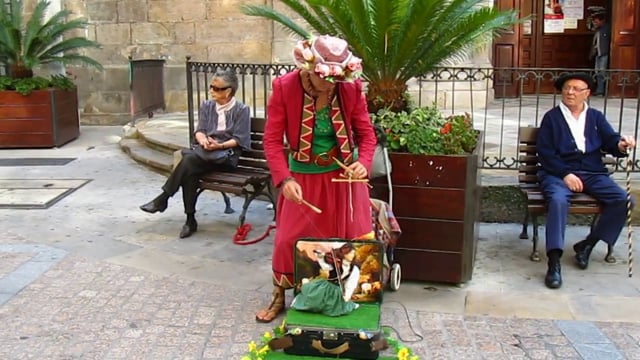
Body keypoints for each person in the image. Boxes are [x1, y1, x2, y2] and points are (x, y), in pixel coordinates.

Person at [255, 34, 377, 323]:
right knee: (288, 239)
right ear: (308, 67)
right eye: (324, 78)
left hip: (344, 178)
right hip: (303, 179)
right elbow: (271, 141)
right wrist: (284, 180)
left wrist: (363, 163)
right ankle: (278, 295)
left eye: (335, 79)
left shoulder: (351, 88)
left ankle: (354, 294)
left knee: (354, 237)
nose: (330, 85)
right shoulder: (285, 87)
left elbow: (367, 135)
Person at [537, 72, 636, 289]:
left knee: (623, 199)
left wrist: (622, 144)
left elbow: (611, 141)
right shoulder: (551, 118)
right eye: (566, 88)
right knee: (558, 201)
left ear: (587, 94)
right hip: (558, 174)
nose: (570, 92)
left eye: (575, 89)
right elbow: (545, 154)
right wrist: (565, 174)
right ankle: (554, 262)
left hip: (592, 172)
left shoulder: (596, 117)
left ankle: (588, 245)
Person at [139, 69, 251, 238]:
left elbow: (239, 139)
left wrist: (219, 146)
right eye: (211, 86)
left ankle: (165, 199)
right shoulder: (207, 106)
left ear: (228, 91)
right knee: (189, 170)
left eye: (216, 88)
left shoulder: (241, 109)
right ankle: (189, 219)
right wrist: (203, 141)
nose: (211, 90)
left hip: (226, 156)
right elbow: (200, 131)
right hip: (205, 154)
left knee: (189, 161)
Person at [290, 242, 361, 317]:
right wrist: (321, 258)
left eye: (353, 253)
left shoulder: (354, 268)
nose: (351, 255)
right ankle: (305, 285)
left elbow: (351, 283)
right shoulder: (335, 262)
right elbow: (325, 267)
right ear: (343, 253)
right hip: (326, 286)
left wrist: (347, 295)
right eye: (349, 253)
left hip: (337, 290)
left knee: (334, 308)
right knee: (313, 299)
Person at [589, 13, 610, 96]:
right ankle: (599, 90)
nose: (595, 23)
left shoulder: (607, 29)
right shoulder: (597, 30)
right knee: (597, 72)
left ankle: (602, 90)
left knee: (602, 72)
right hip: (598, 54)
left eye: (597, 22)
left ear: (602, 21)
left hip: (604, 54)